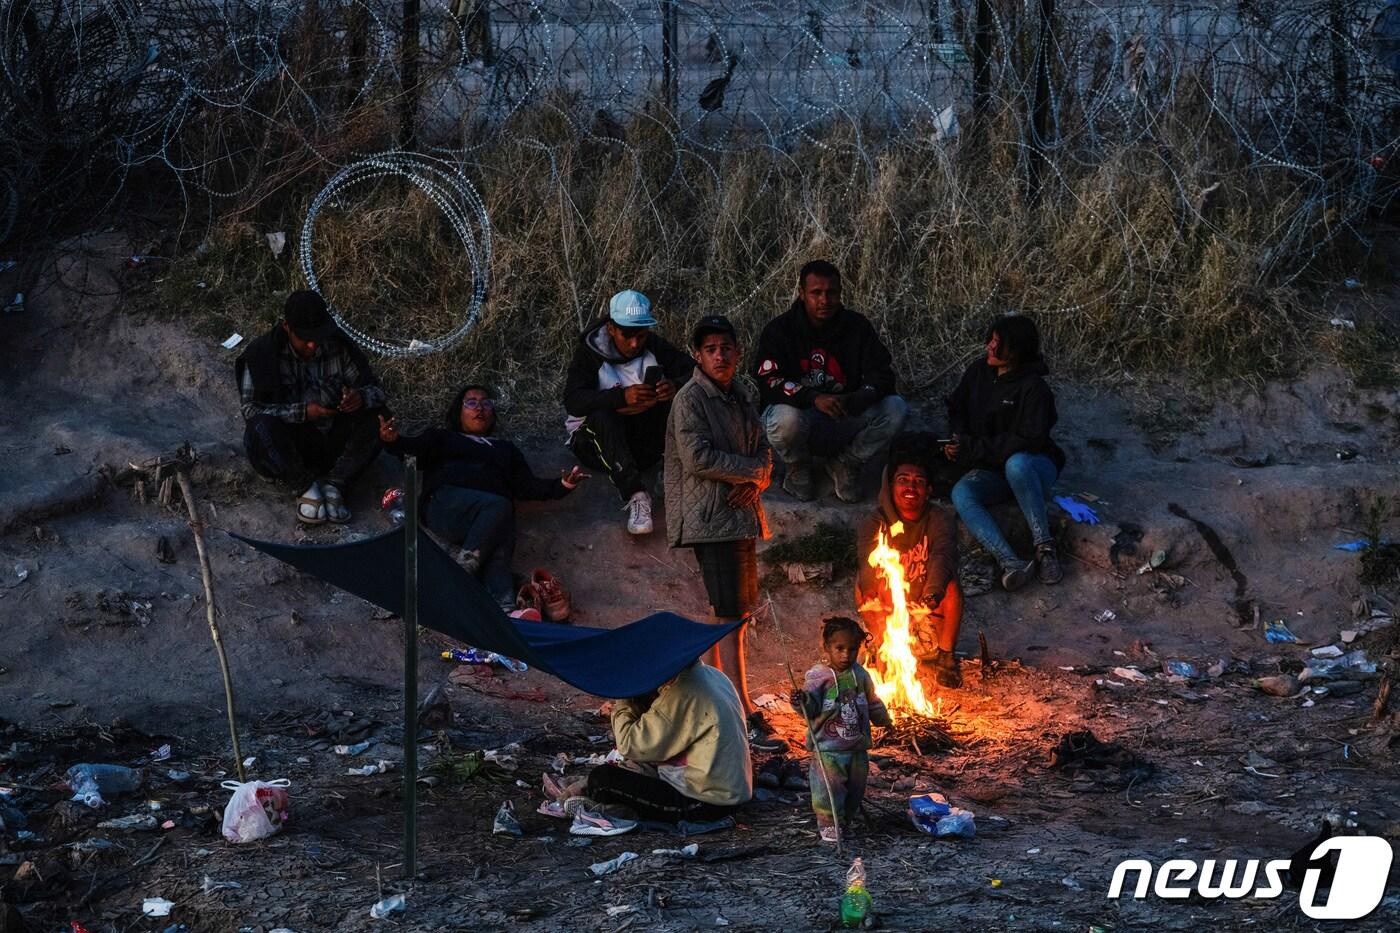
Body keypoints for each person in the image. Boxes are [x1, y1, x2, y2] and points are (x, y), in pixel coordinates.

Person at [664, 314, 785, 752]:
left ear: (737, 352)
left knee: (733, 614)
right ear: (698, 355)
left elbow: (763, 450)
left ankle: (723, 705)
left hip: (740, 516)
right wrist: (749, 474)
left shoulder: (739, 395)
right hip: (711, 519)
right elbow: (696, 457)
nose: (720, 355)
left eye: (726, 348)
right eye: (711, 348)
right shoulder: (690, 398)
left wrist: (754, 478)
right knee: (727, 618)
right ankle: (742, 711)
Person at [378, 385, 586, 611]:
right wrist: (393, 440)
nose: (480, 408)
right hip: (445, 506)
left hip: (489, 519)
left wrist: (563, 485)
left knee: (500, 542)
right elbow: (414, 451)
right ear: (459, 411)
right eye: (471, 403)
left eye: (486, 403)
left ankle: (506, 610)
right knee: (500, 506)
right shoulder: (443, 438)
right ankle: (459, 574)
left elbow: (527, 486)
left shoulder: (506, 449)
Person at [752, 260, 907, 503]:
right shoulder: (780, 330)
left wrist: (856, 398)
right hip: (801, 416)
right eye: (816, 293)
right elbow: (768, 379)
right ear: (802, 294)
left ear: (840, 293)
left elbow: (883, 375)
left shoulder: (857, 327)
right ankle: (797, 467)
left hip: (843, 414)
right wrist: (813, 398)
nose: (824, 300)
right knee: (783, 419)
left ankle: (845, 463)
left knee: (896, 408)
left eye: (831, 292)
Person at [238, 290, 386, 524]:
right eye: (305, 337)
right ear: (287, 327)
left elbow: (377, 392)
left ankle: (336, 483)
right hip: (292, 444)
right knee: (260, 429)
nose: (312, 344)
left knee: (378, 418)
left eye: (317, 337)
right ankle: (302, 485)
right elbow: (251, 411)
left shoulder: (338, 347)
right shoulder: (261, 355)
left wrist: (358, 397)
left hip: (332, 442)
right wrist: (302, 412)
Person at [945, 314, 1067, 592]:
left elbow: (1027, 440)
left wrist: (974, 449)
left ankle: (1045, 547)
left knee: (1017, 464)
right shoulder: (978, 372)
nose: (989, 347)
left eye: (998, 344)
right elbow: (957, 407)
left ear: (1018, 350)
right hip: (993, 466)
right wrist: (957, 438)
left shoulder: (1034, 388)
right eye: (990, 340)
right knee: (962, 493)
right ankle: (1010, 562)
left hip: (1034, 466)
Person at [564, 289, 695, 535]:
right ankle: (636, 495)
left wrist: (675, 386)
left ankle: (672, 475)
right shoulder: (589, 354)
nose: (635, 343)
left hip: (641, 442)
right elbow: (573, 401)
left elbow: (695, 372)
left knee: (683, 398)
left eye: (641, 335)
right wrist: (619, 397)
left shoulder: (653, 345)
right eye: (627, 335)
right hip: (595, 443)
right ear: (612, 328)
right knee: (603, 414)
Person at [581, 657, 753, 823]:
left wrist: (623, 697)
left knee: (601, 780)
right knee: (637, 768)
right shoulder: (712, 675)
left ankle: (619, 811)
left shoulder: (682, 692)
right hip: (731, 793)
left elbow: (629, 744)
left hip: (705, 804)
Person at [856, 433, 964, 688]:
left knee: (951, 586)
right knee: (860, 585)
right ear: (891, 487)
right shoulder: (875, 522)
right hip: (890, 609)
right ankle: (882, 651)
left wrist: (931, 597)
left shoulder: (939, 518)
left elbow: (942, 557)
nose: (910, 488)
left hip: (926, 610)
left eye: (918, 482)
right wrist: (871, 592)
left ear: (928, 490)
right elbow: (867, 561)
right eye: (903, 480)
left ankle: (946, 658)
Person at [793, 617, 892, 844]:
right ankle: (828, 823)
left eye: (852, 649)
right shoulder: (819, 677)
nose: (846, 654)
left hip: (857, 747)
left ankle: (845, 819)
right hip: (828, 749)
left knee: (856, 788)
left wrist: (883, 720)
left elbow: (872, 700)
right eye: (839, 648)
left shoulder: (861, 674)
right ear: (827, 647)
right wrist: (800, 701)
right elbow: (809, 707)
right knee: (829, 788)